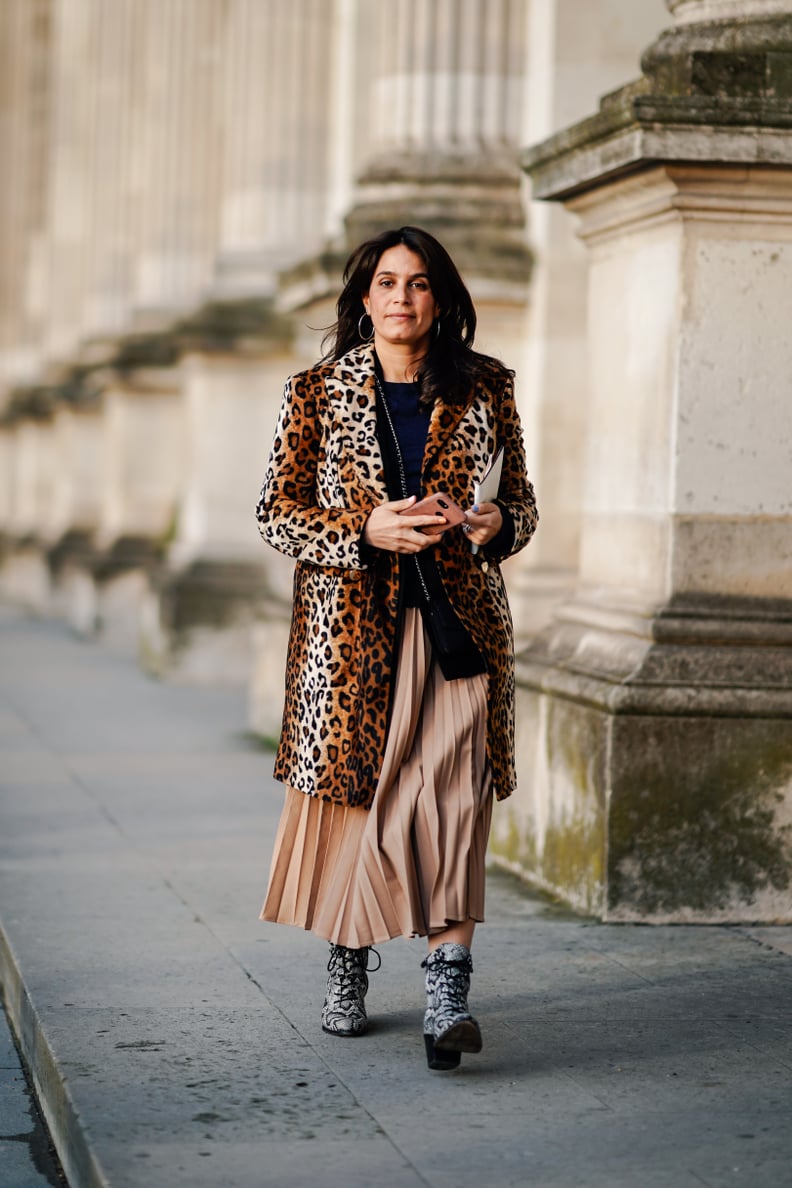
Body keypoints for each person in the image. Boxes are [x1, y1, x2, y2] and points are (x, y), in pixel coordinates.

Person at [256, 226, 537, 1071]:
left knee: (455, 800)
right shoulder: (314, 391)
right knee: (361, 804)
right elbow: (275, 512)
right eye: (387, 282)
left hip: (460, 630)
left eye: (419, 283)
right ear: (364, 298)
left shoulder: (487, 388)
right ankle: (348, 958)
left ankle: (447, 989)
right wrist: (363, 528)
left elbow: (519, 503)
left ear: (440, 299)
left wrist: (495, 525)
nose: (402, 297)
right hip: (351, 641)